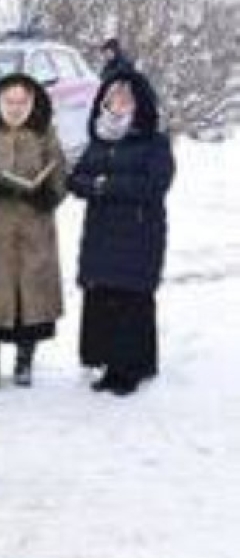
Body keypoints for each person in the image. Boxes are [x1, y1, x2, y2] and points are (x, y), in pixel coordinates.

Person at [0, 73, 69, 390]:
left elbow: (59, 174)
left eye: (23, 101)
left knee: (30, 300)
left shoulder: (45, 134)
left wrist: (49, 195)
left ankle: (24, 361)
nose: (16, 108)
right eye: (10, 101)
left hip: (34, 230)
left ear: (32, 103)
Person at [68, 69, 175, 396]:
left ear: (139, 102)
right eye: (113, 98)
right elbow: (77, 179)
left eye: (126, 98)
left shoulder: (154, 141)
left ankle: (130, 368)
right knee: (102, 295)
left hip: (138, 231)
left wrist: (104, 185)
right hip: (101, 232)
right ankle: (105, 361)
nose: (118, 103)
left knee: (131, 297)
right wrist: (93, 185)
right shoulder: (98, 140)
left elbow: (154, 184)